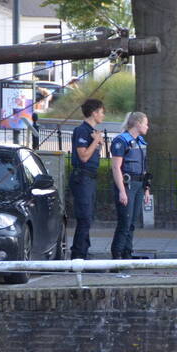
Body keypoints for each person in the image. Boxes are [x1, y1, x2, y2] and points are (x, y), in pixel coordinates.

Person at [109, 111, 150, 262]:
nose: (147, 126)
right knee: (125, 222)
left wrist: (146, 189)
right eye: (146, 123)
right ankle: (117, 256)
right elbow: (116, 168)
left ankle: (127, 253)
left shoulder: (141, 142)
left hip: (139, 184)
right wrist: (122, 191)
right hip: (127, 184)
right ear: (138, 124)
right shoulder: (121, 141)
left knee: (132, 222)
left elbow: (144, 168)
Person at [68, 98, 106, 260]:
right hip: (82, 177)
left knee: (88, 216)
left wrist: (98, 143)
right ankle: (78, 255)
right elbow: (83, 156)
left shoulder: (91, 131)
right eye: (102, 112)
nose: (103, 116)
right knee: (84, 217)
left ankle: (84, 249)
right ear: (94, 113)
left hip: (90, 178)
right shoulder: (82, 131)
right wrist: (96, 141)